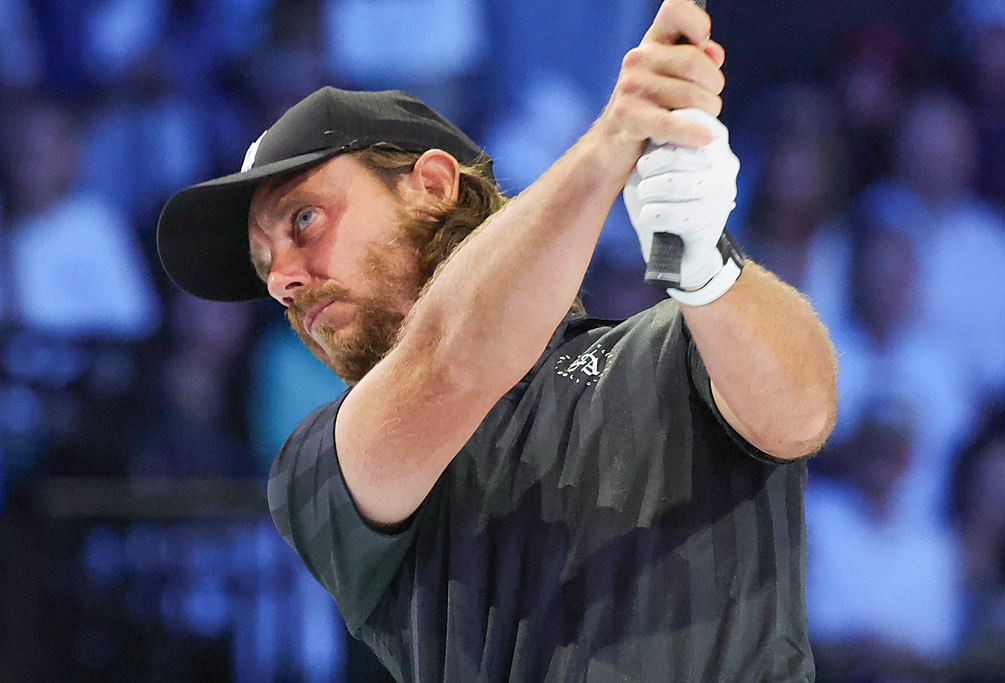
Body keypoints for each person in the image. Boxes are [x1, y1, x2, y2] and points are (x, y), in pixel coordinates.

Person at [157, 2, 838, 680]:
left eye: (304, 220)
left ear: (432, 186)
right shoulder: (316, 465)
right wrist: (614, 138)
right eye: (264, 265)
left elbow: (803, 413)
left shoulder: (678, 345)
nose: (281, 280)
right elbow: (453, 361)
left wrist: (705, 267)